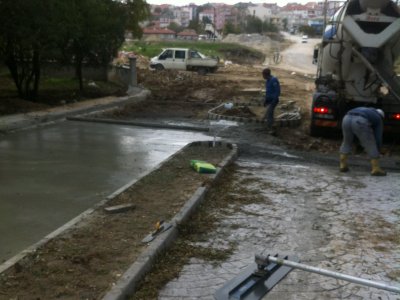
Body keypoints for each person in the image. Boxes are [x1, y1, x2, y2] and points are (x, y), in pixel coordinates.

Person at [339, 107, 386, 176]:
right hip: (360, 120)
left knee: (347, 142)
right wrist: (377, 150)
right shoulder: (378, 118)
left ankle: (342, 165)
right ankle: (376, 169)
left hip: (346, 118)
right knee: (371, 144)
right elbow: (378, 138)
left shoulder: (367, 110)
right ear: (381, 116)